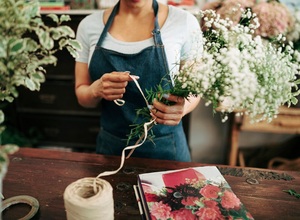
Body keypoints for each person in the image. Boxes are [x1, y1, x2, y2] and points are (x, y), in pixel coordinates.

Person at [75, 0, 203, 162]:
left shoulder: (184, 22)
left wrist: (182, 107)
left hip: (167, 150)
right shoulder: (88, 26)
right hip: (111, 149)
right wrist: (96, 90)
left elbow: (195, 89)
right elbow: (82, 95)